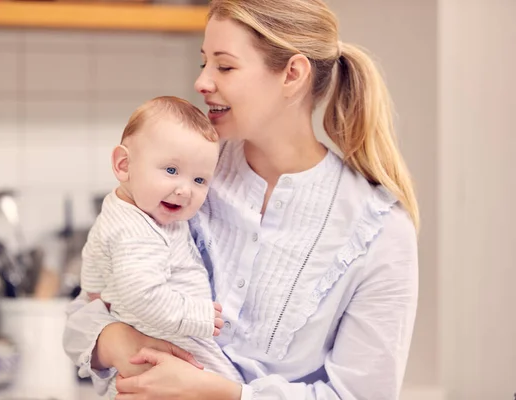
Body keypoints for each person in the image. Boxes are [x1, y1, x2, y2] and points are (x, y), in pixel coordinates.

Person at [63, 0, 420, 398]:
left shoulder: (380, 230)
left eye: (225, 66)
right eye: (204, 63)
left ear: (292, 74)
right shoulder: (180, 181)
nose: (201, 82)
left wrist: (223, 393)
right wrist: (116, 342)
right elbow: (85, 311)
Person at [79, 96, 244, 400]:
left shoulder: (127, 211)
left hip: (159, 365)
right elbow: (144, 296)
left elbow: (92, 278)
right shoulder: (134, 230)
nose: (184, 189)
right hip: (163, 364)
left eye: (199, 179)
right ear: (124, 164)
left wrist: (102, 298)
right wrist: (197, 315)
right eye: (170, 170)